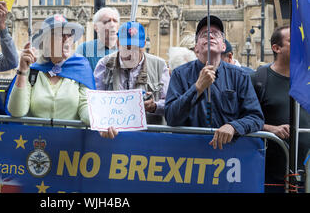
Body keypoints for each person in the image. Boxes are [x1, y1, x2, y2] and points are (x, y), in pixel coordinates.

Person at [165, 15, 264, 150]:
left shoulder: (239, 76)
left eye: (216, 34)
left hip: (228, 155)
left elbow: (255, 117)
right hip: (189, 154)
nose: (210, 36)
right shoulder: (180, 74)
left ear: (223, 46)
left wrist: (233, 126)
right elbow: (171, 117)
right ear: (196, 48)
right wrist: (197, 88)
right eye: (204, 34)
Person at [250, 26, 310, 192]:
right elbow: (243, 118)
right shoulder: (258, 79)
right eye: (292, 41)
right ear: (276, 48)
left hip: (304, 177)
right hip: (269, 177)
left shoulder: (306, 81)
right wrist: (270, 129)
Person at [6, 14, 96, 124]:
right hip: (38, 139)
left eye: (69, 34)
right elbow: (16, 111)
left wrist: (101, 121)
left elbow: (86, 107)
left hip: (71, 139)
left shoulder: (81, 68)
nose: (66, 39)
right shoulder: (33, 71)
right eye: (60, 34)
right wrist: (22, 71)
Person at [94, 21, 170, 125]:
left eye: (135, 48)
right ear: (117, 43)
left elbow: (170, 104)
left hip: (148, 136)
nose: (130, 53)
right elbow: (95, 101)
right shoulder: (104, 65)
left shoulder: (159, 65)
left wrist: (154, 106)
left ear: (143, 45)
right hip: (114, 134)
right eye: (126, 47)